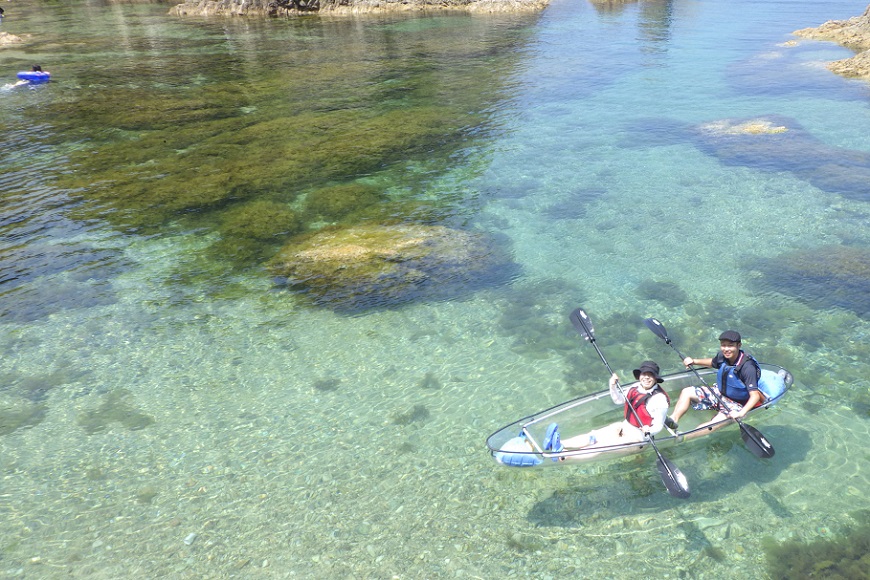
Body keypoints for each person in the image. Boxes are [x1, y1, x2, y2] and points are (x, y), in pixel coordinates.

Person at [543, 361, 671, 459]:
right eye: (644, 374)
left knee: (600, 446)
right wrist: (613, 385)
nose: (647, 378)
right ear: (640, 376)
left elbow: (658, 426)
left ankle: (565, 456)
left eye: (651, 375)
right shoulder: (635, 387)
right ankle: (558, 444)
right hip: (623, 428)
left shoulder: (659, 399)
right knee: (593, 436)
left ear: (655, 378)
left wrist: (650, 429)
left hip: (638, 440)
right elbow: (618, 400)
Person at [665, 330, 761, 431]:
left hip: (736, 405)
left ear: (739, 345)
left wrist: (741, 413)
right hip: (719, 394)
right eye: (723, 345)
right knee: (687, 391)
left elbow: (755, 396)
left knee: (713, 424)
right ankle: (673, 420)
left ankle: (685, 438)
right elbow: (713, 362)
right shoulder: (722, 356)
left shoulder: (748, 367)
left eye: (730, 345)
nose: (726, 349)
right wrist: (694, 361)